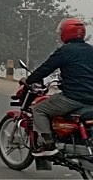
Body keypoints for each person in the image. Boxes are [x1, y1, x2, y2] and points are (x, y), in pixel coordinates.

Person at [19, 18, 93, 157]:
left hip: (73, 98)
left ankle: (49, 145)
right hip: (91, 99)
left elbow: (45, 68)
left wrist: (29, 80)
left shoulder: (65, 51)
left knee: (39, 109)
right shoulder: (90, 50)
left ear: (65, 33)